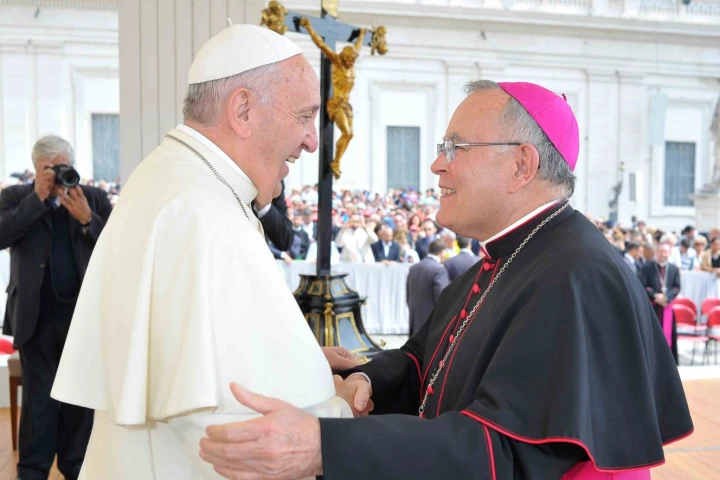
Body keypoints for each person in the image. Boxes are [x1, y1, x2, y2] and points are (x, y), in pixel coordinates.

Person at [199, 80, 692, 479]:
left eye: (456, 147)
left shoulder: (576, 277)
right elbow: (424, 363)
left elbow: (501, 454)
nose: (437, 163)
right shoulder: (503, 259)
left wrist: (325, 446)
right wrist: (361, 379)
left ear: (522, 165)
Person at [50, 24, 366, 479]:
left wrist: (305, 364)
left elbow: (210, 356)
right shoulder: (202, 211)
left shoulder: (172, 177)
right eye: (303, 116)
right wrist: (339, 410)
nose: (312, 140)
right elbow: (230, 430)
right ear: (242, 110)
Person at [0, 135, 112, 480]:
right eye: (48, 168)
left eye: (63, 167)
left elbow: (118, 247)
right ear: (35, 169)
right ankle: (32, 471)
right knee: (39, 403)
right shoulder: (16, 197)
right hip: (34, 318)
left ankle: (77, 469)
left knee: (79, 402)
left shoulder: (92, 198)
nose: (57, 175)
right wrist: (35, 199)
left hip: (82, 319)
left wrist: (87, 219)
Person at [639, 243, 682, 364]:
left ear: (669, 253)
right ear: (656, 252)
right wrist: (656, 296)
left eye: (665, 252)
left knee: (668, 335)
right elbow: (643, 284)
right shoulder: (647, 267)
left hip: (666, 306)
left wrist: (666, 297)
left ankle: (668, 362)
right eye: (660, 251)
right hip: (652, 307)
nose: (662, 254)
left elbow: (677, 287)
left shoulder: (674, 269)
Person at [406, 239, 450, 336]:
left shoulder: (414, 268)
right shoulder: (439, 269)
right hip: (431, 323)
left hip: (415, 320)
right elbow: (442, 297)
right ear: (442, 252)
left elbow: (408, 294)